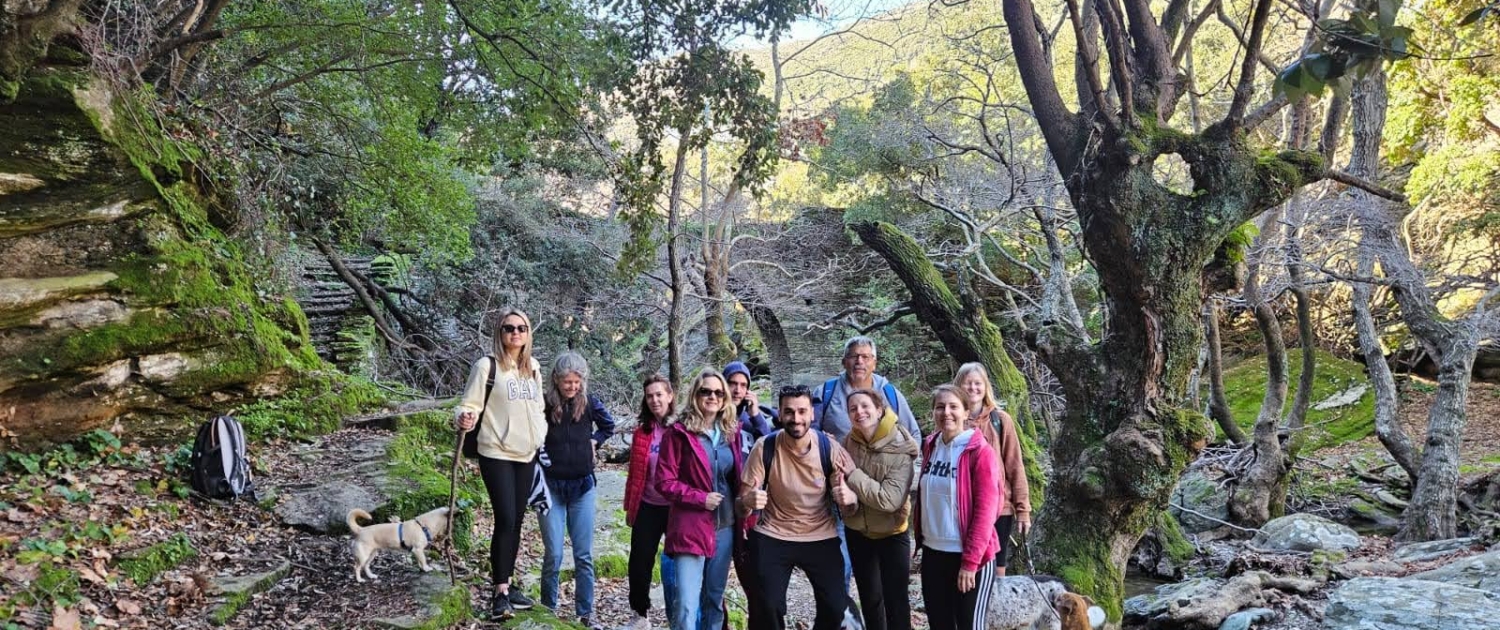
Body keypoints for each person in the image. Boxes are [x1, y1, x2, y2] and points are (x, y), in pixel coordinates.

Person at [738, 384, 858, 630]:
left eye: (802, 411)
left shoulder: (829, 447)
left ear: (812, 413)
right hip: (774, 533)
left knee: (836, 607)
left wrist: (849, 500)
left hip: (820, 534)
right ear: (780, 414)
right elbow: (741, 505)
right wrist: (748, 502)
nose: (796, 418)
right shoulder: (764, 447)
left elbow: (851, 508)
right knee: (767, 606)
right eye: (789, 412)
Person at [455, 308, 546, 620]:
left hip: (526, 454)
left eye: (522, 328)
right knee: (506, 517)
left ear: (528, 333)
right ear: (500, 332)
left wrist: (540, 434)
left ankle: (507, 581)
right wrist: (464, 417)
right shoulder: (487, 366)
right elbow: (468, 404)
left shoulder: (533, 367)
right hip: (496, 452)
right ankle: (500, 592)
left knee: (517, 520)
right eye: (509, 328)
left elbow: (538, 407)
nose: (515, 333)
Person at [657, 370, 743, 630]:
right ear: (695, 395)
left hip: (724, 527)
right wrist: (700, 498)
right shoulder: (678, 433)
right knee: (686, 604)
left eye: (719, 392)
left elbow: (739, 476)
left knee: (714, 601)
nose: (712, 397)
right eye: (706, 391)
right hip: (690, 527)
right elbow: (664, 482)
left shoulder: (731, 432)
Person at [915, 384, 1003, 630]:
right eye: (940, 407)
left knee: (969, 625)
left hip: (970, 556)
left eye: (953, 407)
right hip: (933, 553)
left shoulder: (979, 452)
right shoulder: (930, 445)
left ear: (966, 412)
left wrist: (970, 563)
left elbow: (986, 512)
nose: (946, 413)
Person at [538, 352, 616, 628]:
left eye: (576, 382)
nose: (572, 387)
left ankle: (585, 613)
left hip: (583, 486)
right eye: (567, 382)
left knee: (583, 555)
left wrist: (594, 441)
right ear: (556, 380)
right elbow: (532, 431)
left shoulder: (590, 403)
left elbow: (608, 426)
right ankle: (547, 608)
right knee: (554, 554)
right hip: (551, 487)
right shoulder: (544, 404)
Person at [840, 389, 918, 630]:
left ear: (879, 409)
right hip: (858, 531)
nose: (859, 412)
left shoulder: (900, 445)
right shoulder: (850, 440)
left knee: (896, 601)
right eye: (853, 409)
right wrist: (847, 498)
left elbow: (889, 500)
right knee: (870, 599)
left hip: (891, 533)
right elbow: (839, 477)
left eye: (865, 406)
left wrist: (854, 475)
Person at [953, 362, 1032, 575]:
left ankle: (995, 596)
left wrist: (1023, 510)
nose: (973, 388)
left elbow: (1015, 465)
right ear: (958, 386)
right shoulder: (952, 420)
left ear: (986, 386)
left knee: (997, 565)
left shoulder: (1000, 420)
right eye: (967, 383)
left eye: (978, 383)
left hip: (999, 508)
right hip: (962, 507)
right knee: (966, 564)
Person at [623, 375, 680, 630]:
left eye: (659, 394)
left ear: (670, 396)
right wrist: (630, 506)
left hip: (676, 506)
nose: (655, 400)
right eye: (650, 396)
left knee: (677, 562)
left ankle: (678, 616)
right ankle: (640, 615)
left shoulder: (682, 429)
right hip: (648, 503)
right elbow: (635, 474)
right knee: (639, 561)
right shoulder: (642, 432)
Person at [814, 336, 920, 442]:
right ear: (844, 362)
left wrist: (905, 453)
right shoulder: (825, 393)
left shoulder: (890, 394)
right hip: (836, 453)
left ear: (874, 364)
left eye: (865, 357)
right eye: (853, 356)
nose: (859, 361)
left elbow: (914, 434)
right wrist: (823, 442)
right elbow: (809, 433)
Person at [724, 361, 779, 441]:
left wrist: (756, 416)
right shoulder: (711, 418)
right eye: (733, 384)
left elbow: (768, 444)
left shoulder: (751, 422)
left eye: (743, 385)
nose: (738, 390)